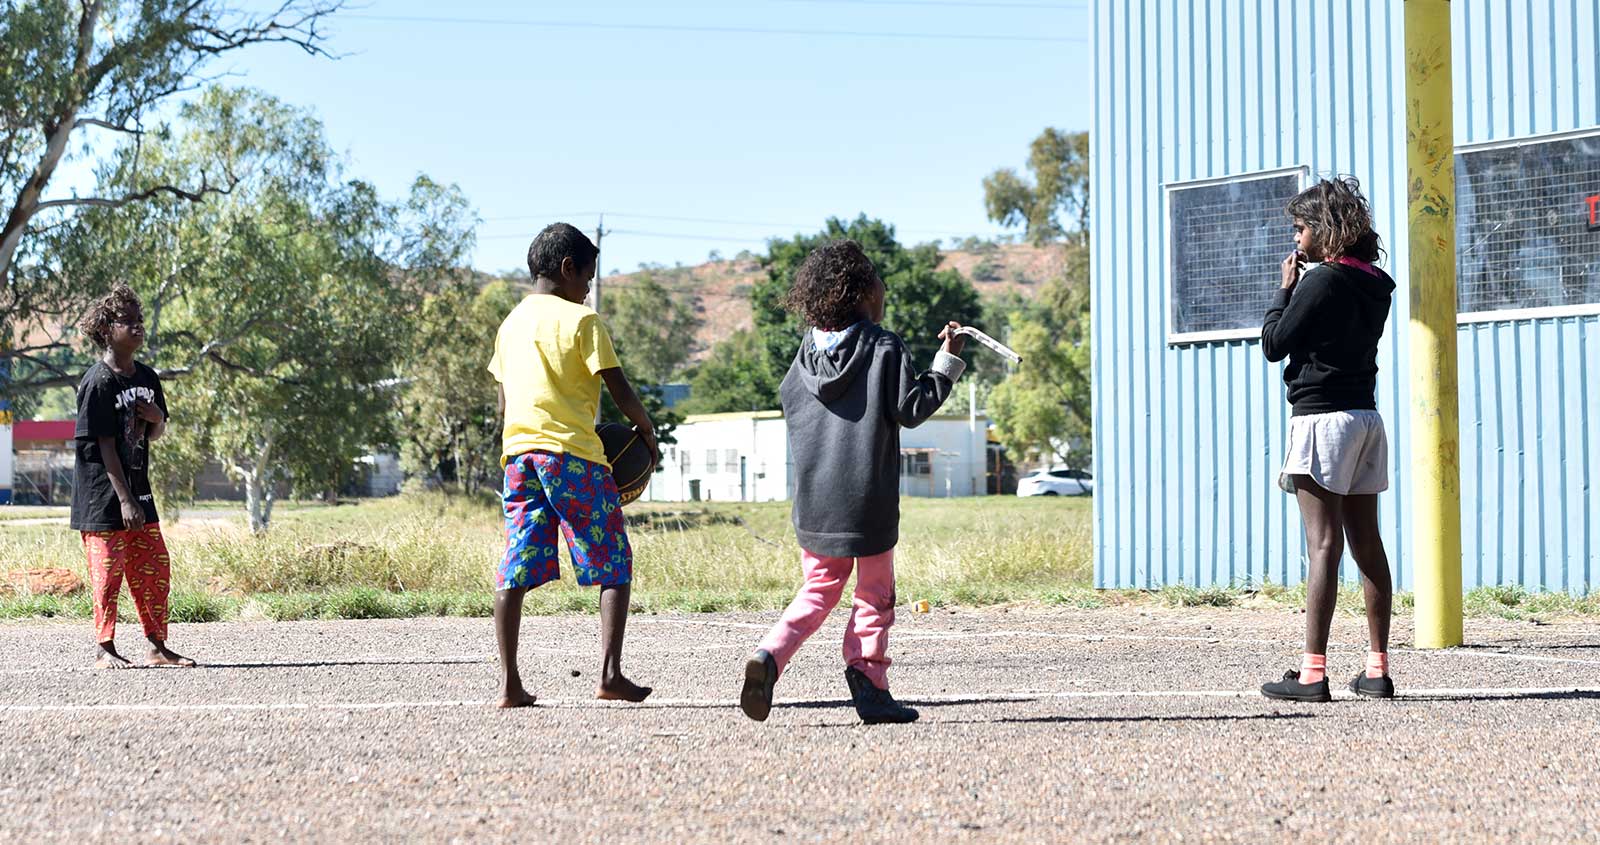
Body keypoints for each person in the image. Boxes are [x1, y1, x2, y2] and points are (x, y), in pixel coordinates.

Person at [738, 239, 967, 724]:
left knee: (818, 589)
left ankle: (770, 656)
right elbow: (912, 409)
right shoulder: (883, 346)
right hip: (867, 501)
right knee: (874, 594)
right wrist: (946, 361)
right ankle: (870, 683)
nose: (884, 288)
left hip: (815, 502)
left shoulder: (803, 357)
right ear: (861, 292)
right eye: (878, 280)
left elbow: (791, 402)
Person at [489, 222, 658, 708]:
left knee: (515, 567)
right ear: (567, 270)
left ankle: (509, 685)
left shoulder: (509, 325)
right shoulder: (583, 322)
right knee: (613, 560)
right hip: (573, 458)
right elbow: (618, 386)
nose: (587, 289)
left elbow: (503, 404)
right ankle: (609, 674)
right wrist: (645, 432)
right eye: (587, 278)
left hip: (518, 458)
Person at [1259, 176, 1397, 702]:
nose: (1296, 239)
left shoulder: (1319, 283)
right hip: (1366, 417)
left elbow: (1275, 344)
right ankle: (1377, 668)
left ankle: (1313, 674)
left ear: (1325, 229)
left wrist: (1285, 289)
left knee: (1323, 544)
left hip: (1322, 420)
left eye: (1300, 228)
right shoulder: (1376, 283)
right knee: (1368, 542)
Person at [71, 283, 195, 669]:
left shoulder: (147, 376)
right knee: (107, 574)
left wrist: (157, 418)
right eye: (128, 321)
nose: (138, 327)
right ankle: (104, 649)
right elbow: (104, 444)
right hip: (103, 496)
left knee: (154, 567)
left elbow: (154, 433)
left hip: (138, 492)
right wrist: (123, 500)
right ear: (107, 329)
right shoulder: (98, 382)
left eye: (140, 320)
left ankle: (157, 645)